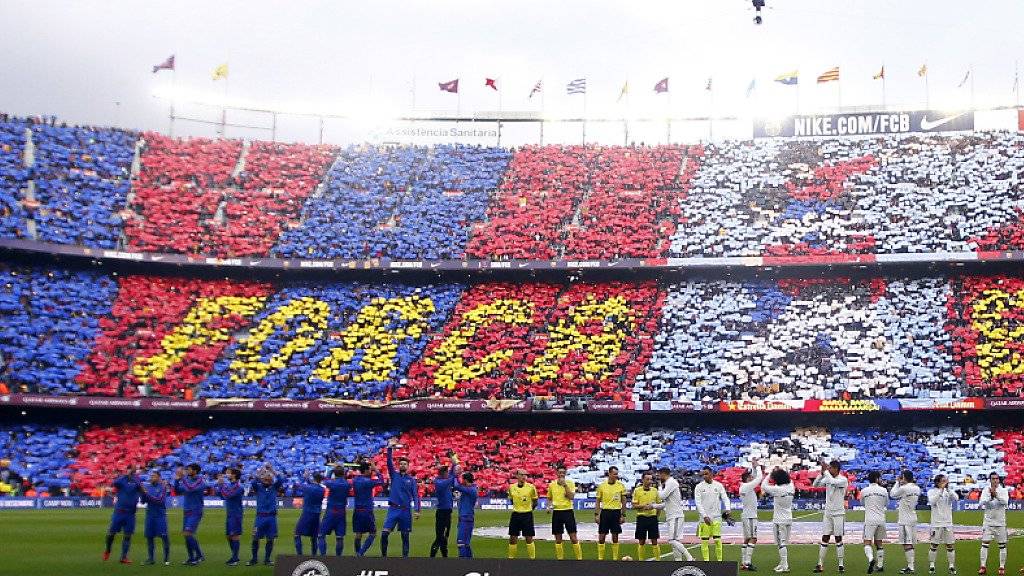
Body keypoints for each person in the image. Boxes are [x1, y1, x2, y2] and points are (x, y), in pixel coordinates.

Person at [381, 438, 420, 558]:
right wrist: (389, 448)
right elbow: (388, 462)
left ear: (408, 466)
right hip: (393, 509)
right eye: (401, 463)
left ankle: (405, 558)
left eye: (405, 464)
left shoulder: (412, 480)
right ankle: (384, 556)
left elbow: (415, 496)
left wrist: (417, 510)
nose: (403, 465)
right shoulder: (394, 475)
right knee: (384, 534)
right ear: (399, 466)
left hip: (405, 510)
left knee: (405, 536)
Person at [813, 460, 849, 573]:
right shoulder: (828, 477)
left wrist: (826, 472)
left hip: (838, 513)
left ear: (836, 469)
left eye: (831, 468)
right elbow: (815, 485)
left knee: (838, 538)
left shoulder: (843, 480)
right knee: (825, 537)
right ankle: (820, 564)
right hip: (828, 513)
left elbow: (833, 482)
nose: (829, 470)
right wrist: (821, 473)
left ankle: (841, 565)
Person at [104, 464, 142, 564]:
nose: (132, 470)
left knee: (128, 535)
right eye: (130, 469)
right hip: (119, 512)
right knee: (111, 532)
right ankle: (108, 549)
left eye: (134, 469)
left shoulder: (137, 480)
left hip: (131, 513)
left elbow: (141, 489)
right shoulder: (122, 480)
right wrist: (125, 476)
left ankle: (124, 557)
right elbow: (114, 483)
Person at [248, 465, 283, 566]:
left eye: (269, 477)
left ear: (271, 479)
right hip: (260, 517)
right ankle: (254, 559)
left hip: (271, 517)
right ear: (262, 479)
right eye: (265, 477)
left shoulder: (274, 488)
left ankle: (267, 559)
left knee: (270, 538)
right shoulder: (258, 488)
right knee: (255, 538)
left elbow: (280, 479)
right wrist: (260, 473)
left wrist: (272, 470)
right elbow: (253, 482)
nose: (267, 478)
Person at [762, 467, 796, 573]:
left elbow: (763, 486)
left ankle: (785, 565)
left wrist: (770, 474)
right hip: (788, 518)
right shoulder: (791, 487)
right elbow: (789, 480)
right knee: (782, 543)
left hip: (779, 519)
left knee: (781, 543)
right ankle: (782, 563)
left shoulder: (777, 489)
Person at [174, 463, 208, 566]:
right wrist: (176, 481)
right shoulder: (187, 480)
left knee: (187, 533)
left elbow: (191, 488)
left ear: (195, 471)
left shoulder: (200, 481)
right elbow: (178, 490)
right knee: (186, 535)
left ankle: (199, 555)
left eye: (189, 469)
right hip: (187, 511)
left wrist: (182, 478)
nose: (187, 471)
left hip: (196, 511)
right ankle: (191, 558)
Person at [658, 467, 695, 561]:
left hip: (675, 515)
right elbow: (665, 503)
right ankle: (678, 561)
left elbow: (662, 496)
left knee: (672, 540)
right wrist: (653, 506)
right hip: (673, 515)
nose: (659, 477)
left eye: (659, 475)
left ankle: (689, 557)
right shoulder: (670, 483)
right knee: (675, 541)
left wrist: (659, 486)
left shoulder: (671, 482)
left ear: (663, 474)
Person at [695, 466, 731, 562]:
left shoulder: (718, 486)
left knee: (717, 540)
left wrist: (728, 509)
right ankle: (706, 561)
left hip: (716, 517)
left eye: (706, 474)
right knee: (704, 541)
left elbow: (725, 498)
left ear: (711, 474)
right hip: (704, 519)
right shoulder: (699, 487)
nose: (704, 476)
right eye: (703, 474)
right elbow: (698, 503)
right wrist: (704, 515)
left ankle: (719, 561)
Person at [547, 465, 582, 560]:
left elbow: (571, 497)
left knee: (573, 537)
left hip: (568, 511)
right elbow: (549, 498)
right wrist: (549, 506)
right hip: (557, 512)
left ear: (565, 473)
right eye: (560, 472)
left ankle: (579, 559)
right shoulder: (552, 484)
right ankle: (560, 559)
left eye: (563, 472)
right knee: (558, 539)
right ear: (557, 473)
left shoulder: (570, 483)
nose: (561, 474)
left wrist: (565, 485)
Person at [891, 470, 922, 574]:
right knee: (910, 542)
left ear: (904, 478)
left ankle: (911, 566)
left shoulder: (904, 488)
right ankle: (911, 565)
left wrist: (897, 482)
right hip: (913, 517)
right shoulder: (917, 488)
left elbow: (893, 494)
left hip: (904, 519)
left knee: (906, 543)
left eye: (902, 477)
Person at [430, 451, 459, 558]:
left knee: (445, 536)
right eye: (446, 473)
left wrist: (453, 461)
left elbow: (451, 473)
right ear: (443, 474)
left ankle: (444, 557)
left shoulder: (443, 479)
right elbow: (452, 476)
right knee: (439, 537)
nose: (448, 474)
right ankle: (432, 556)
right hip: (442, 513)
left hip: (447, 513)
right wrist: (455, 465)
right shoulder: (439, 482)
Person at [927, 474, 958, 575]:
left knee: (950, 545)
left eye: (946, 481)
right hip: (936, 523)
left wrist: (948, 490)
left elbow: (956, 498)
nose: (945, 483)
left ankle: (951, 566)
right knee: (934, 545)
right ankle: (932, 565)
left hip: (948, 523)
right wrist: (941, 490)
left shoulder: (948, 491)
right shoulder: (931, 491)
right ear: (937, 482)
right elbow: (932, 501)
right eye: (943, 481)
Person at [978, 472, 1008, 576]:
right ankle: (982, 566)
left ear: (999, 480)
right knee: (985, 544)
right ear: (990, 480)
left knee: (1002, 545)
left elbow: (1006, 502)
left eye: (996, 478)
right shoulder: (985, 490)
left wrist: (997, 495)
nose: (995, 480)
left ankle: (1001, 567)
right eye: (993, 478)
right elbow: (980, 503)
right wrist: (990, 498)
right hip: (988, 522)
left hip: (1000, 522)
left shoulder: (1003, 490)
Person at [595, 465, 627, 560]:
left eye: (617, 474)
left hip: (616, 512)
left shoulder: (621, 485)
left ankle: (615, 559)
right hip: (605, 512)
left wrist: (623, 515)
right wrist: (597, 514)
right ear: (609, 474)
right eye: (614, 474)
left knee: (615, 536)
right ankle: (601, 558)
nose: (616, 476)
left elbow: (624, 501)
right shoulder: (602, 486)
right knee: (601, 537)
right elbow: (598, 501)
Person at [352, 461, 383, 556]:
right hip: (367, 511)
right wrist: (376, 470)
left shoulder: (355, 480)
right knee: (373, 533)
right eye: (370, 469)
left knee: (358, 534)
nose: (371, 471)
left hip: (357, 510)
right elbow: (382, 481)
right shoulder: (368, 481)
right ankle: (360, 553)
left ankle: (357, 553)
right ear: (366, 470)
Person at [215, 467, 245, 566]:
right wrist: (220, 485)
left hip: (236, 514)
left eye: (229, 473)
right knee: (228, 536)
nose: (227, 475)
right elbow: (221, 496)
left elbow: (228, 495)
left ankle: (235, 558)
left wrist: (221, 485)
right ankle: (234, 556)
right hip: (229, 513)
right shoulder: (229, 485)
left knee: (234, 535)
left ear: (234, 475)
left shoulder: (239, 487)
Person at [319, 465, 351, 556]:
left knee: (321, 535)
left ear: (334, 473)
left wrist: (331, 470)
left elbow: (325, 480)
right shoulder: (347, 484)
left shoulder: (331, 483)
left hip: (331, 511)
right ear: (343, 473)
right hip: (341, 512)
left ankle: (323, 556)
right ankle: (338, 558)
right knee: (340, 537)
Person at [861, 471, 889, 574]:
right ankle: (880, 566)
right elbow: (887, 503)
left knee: (867, 542)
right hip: (881, 519)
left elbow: (862, 503)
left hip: (869, 519)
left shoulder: (864, 490)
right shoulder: (884, 490)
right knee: (879, 543)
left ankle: (871, 559)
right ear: (877, 479)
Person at [140, 470, 170, 566]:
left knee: (164, 536)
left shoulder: (163, 487)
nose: (152, 478)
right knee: (149, 537)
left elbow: (160, 501)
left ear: (159, 478)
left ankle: (166, 558)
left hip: (160, 516)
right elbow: (143, 502)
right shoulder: (147, 487)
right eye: (151, 476)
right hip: (150, 515)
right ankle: (151, 558)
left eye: (154, 476)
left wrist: (147, 494)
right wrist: (142, 493)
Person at [739, 458, 764, 571]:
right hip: (750, 516)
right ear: (747, 479)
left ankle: (744, 563)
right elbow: (759, 478)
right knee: (753, 538)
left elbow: (754, 477)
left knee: (746, 539)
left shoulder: (744, 487)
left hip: (746, 515)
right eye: (750, 477)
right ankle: (748, 563)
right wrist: (758, 466)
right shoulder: (746, 486)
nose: (751, 478)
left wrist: (753, 466)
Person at [507, 468, 539, 559]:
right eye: (521, 475)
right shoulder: (511, 487)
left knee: (529, 538)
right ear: (517, 476)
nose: (524, 477)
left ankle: (532, 559)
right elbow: (511, 500)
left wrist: (529, 509)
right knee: (513, 538)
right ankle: (511, 558)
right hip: (516, 514)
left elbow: (535, 501)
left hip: (527, 515)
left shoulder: (531, 487)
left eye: (525, 475)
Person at [632, 470, 661, 561]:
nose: (649, 482)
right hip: (642, 517)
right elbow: (634, 506)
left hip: (652, 518)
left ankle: (658, 560)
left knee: (654, 540)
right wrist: (644, 506)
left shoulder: (655, 491)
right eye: (647, 479)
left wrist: (656, 516)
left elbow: (659, 505)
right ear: (642, 480)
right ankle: (641, 560)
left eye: (651, 480)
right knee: (641, 541)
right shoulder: (637, 490)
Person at [295, 472, 325, 555]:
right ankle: (314, 555)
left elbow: (298, 485)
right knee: (314, 536)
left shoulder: (308, 487)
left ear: (314, 479)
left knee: (297, 534)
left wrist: (304, 477)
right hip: (317, 514)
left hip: (307, 513)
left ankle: (299, 555)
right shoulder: (322, 490)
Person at [455, 471, 479, 558]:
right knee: (466, 543)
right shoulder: (471, 489)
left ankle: (463, 563)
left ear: (465, 480)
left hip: (466, 519)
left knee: (461, 543)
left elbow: (456, 486)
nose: (461, 481)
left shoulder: (471, 489)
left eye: (462, 479)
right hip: (466, 518)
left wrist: (455, 474)